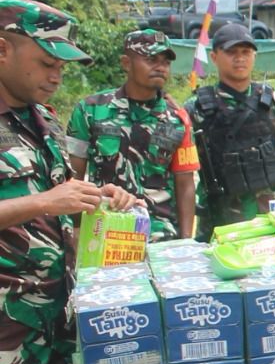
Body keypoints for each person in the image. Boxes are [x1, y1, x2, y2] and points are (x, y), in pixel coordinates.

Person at [0, 0, 140, 364]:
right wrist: (44, 202)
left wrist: (101, 200)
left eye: (61, 65)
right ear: (2, 50)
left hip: (56, 319)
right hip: (7, 331)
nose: (56, 74)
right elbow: (44, 201)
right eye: (45, 62)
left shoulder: (44, 122)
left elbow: (59, 204)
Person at [64, 30, 198, 242]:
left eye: (165, 62)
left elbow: (186, 184)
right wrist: (75, 231)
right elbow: (72, 177)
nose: (160, 67)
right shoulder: (90, 110)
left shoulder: (178, 119)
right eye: (151, 59)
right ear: (126, 63)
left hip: (160, 235)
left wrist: (186, 241)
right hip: (104, 231)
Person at [187, 22, 275, 230]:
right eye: (231, 52)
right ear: (214, 57)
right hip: (220, 221)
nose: (240, 58)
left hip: (274, 217)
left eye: (246, 51)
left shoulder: (274, 101)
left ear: (254, 56)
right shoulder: (196, 108)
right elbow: (183, 170)